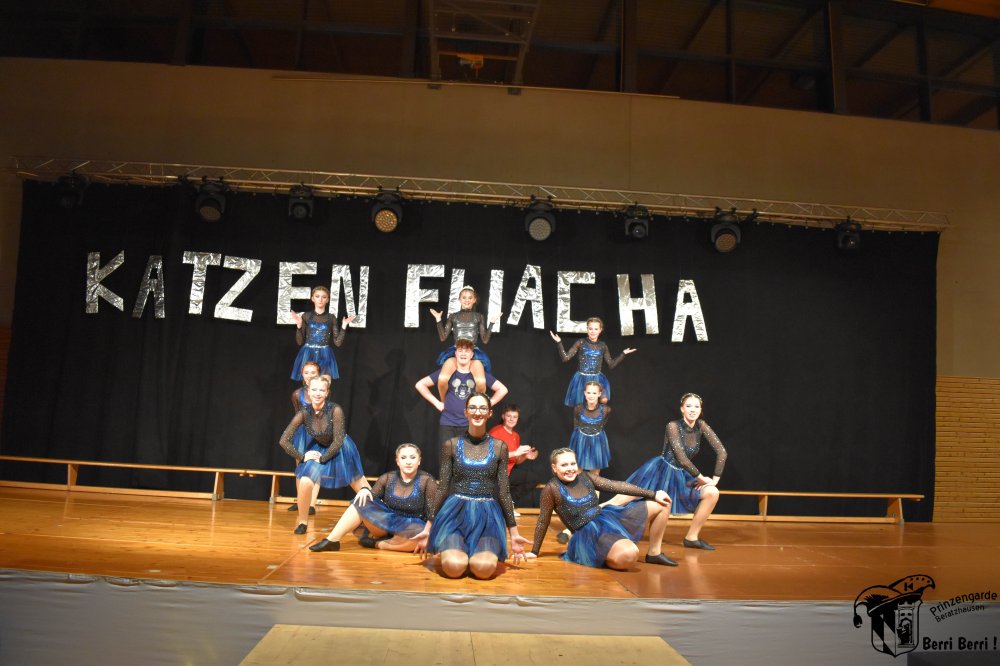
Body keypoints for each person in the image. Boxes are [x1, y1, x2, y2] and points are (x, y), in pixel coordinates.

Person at [411, 393, 528, 579]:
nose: (477, 412)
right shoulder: (451, 445)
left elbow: (504, 492)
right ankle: (457, 549)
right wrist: (427, 529)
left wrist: (514, 534)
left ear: (490, 413)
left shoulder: (500, 447)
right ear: (465, 412)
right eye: (473, 407)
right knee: (454, 567)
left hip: (487, 515)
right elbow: (443, 488)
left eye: (482, 408)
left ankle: (474, 553)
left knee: (483, 569)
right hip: (455, 514)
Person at [526, 448, 676, 569]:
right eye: (564, 465)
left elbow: (616, 485)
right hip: (587, 534)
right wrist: (534, 551)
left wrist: (653, 493)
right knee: (629, 556)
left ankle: (654, 553)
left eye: (573, 464)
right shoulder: (551, 489)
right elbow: (543, 520)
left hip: (606, 518)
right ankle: (600, 556)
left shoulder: (585, 477)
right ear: (554, 467)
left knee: (663, 503)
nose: (570, 469)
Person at [615, 392, 727, 550]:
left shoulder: (701, 425)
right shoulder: (672, 426)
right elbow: (681, 458)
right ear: (682, 409)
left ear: (701, 409)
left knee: (712, 492)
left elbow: (722, 452)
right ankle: (590, 521)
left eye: (696, 406)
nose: (692, 410)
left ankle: (692, 537)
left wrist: (714, 480)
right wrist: (701, 478)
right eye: (688, 406)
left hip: (682, 475)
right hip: (660, 472)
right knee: (622, 500)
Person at [278, 374, 370, 534]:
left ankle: (382, 520)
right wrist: (302, 456)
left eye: (321, 390)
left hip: (341, 450)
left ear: (327, 392)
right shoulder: (304, 413)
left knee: (363, 488)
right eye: (314, 389)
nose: (317, 393)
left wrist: (323, 458)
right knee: (305, 481)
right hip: (319, 448)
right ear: (308, 391)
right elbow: (283, 440)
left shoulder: (335, 410)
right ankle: (302, 522)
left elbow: (338, 440)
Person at [309, 443, 436, 552]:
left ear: (419, 461)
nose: (408, 461)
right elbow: (372, 498)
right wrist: (364, 489)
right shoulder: (387, 477)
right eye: (403, 457)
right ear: (397, 461)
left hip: (412, 527)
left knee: (423, 536)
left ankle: (378, 544)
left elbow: (433, 513)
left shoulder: (427, 480)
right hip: (387, 524)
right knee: (362, 500)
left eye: (412, 457)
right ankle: (332, 540)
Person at [415, 338, 508, 446]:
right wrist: (437, 403)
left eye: (467, 351)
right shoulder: (446, 373)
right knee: (447, 455)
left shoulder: (480, 375)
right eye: (460, 350)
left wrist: (486, 405)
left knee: (468, 456)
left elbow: (502, 390)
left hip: (469, 424)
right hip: (448, 423)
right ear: (455, 353)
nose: (463, 353)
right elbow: (420, 384)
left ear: (472, 354)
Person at [430, 286, 501, 400]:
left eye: (470, 298)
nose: (467, 300)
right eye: (464, 297)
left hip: (473, 352)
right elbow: (443, 337)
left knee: (481, 382)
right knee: (442, 379)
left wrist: (492, 322)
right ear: (459, 299)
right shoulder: (453, 316)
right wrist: (438, 319)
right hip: (456, 351)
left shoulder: (479, 316)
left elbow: (485, 340)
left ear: (474, 300)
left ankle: (476, 405)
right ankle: (444, 403)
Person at [549, 317, 635, 407]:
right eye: (590, 329)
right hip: (582, 379)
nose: (593, 331)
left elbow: (611, 364)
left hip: (597, 378)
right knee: (582, 406)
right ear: (587, 329)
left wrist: (623, 354)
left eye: (596, 329)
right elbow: (565, 358)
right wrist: (559, 342)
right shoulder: (581, 342)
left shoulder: (603, 345)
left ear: (600, 330)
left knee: (603, 400)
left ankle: (596, 414)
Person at [290, 285, 354, 380]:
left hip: (325, 354)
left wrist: (344, 326)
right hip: (308, 353)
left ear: (327, 300)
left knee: (323, 382)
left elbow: (337, 343)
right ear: (312, 298)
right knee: (309, 382)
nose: (320, 300)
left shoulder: (331, 317)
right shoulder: (306, 316)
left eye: (324, 297)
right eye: (317, 296)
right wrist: (299, 326)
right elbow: (299, 342)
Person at [487, 404, 539, 510]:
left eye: (515, 417)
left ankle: (510, 504)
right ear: (503, 416)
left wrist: (525, 456)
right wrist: (515, 452)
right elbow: (491, 456)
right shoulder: (496, 432)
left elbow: (516, 461)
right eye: (509, 416)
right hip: (495, 474)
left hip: (509, 472)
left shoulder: (515, 435)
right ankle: (504, 506)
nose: (512, 419)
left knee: (532, 478)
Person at [287, 361, 321, 515]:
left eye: (313, 372)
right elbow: (297, 415)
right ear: (302, 374)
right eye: (306, 372)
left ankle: (311, 504)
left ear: (318, 374)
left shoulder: (321, 391)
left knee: (315, 467)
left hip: (317, 432)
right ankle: (301, 501)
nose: (309, 375)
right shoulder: (297, 394)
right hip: (301, 433)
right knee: (300, 467)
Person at [568, 381, 612, 475]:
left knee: (595, 469)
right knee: (577, 467)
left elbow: (603, 424)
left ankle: (593, 484)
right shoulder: (578, 408)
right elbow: (576, 425)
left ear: (599, 394)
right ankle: (579, 484)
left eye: (594, 393)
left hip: (597, 440)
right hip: (580, 439)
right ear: (584, 393)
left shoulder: (606, 410)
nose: (591, 395)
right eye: (588, 392)